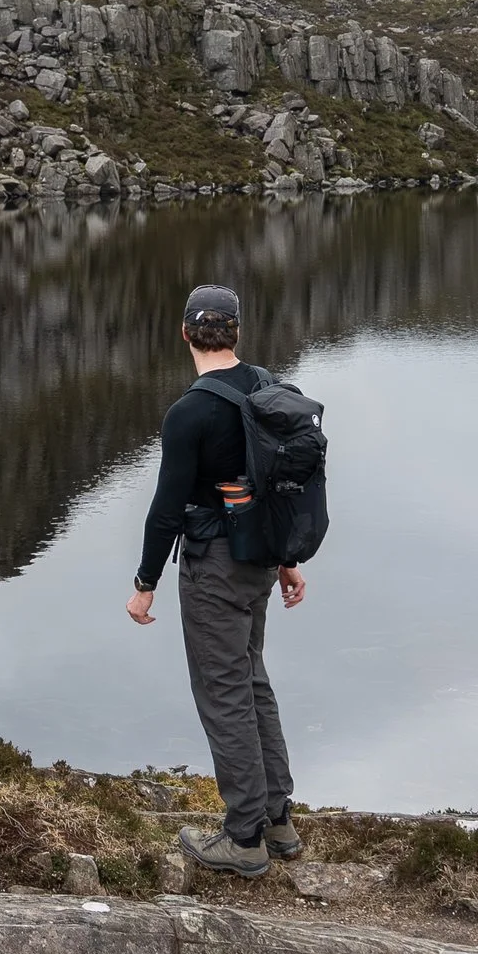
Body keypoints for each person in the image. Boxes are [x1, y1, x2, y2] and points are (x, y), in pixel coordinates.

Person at [126, 282, 306, 877]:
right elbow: (281, 486)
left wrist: (145, 582)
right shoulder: (266, 388)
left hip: (214, 568)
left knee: (224, 692)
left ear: (185, 334)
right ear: (237, 333)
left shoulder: (189, 413)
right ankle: (278, 822)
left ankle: (244, 838)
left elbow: (166, 509)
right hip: (260, 561)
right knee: (252, 681)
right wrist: (287, 560)